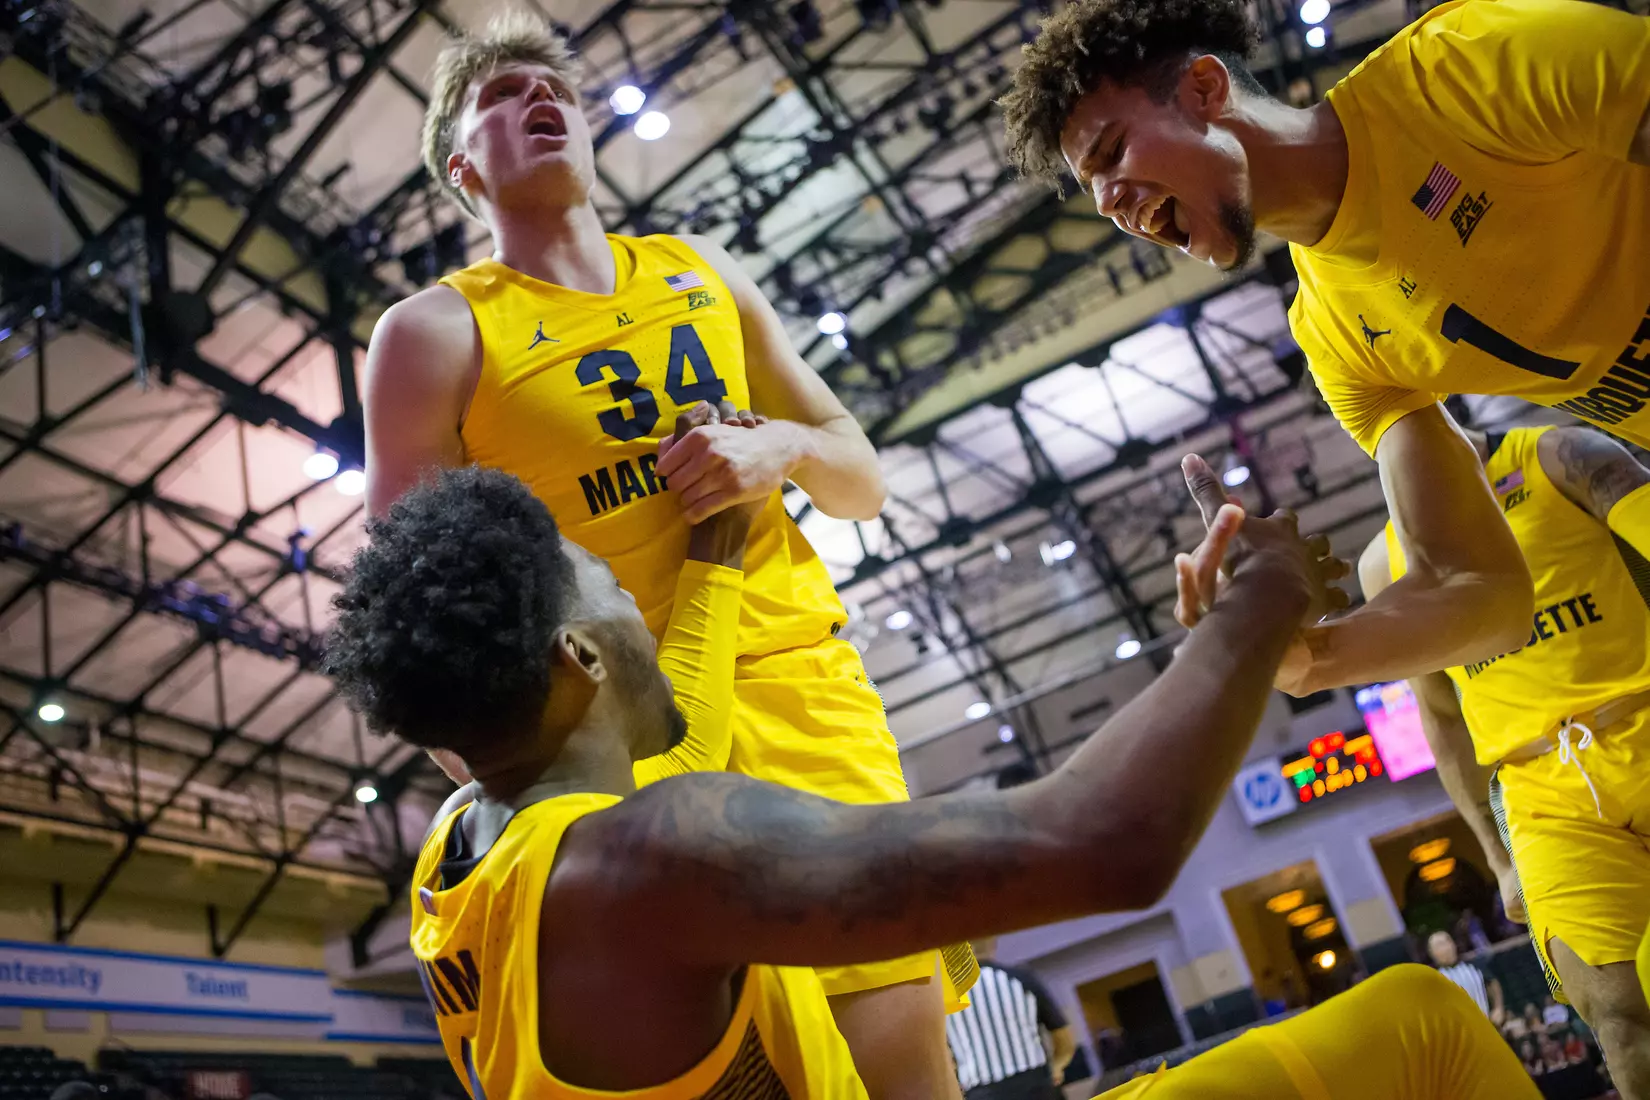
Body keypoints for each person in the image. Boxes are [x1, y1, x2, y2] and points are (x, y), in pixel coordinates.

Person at [325, 461, 1538, 1099]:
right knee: (1426, 1026)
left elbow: (661, 721)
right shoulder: (656, 854)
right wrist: (1265, 597)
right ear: (578, 656)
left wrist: (713, 544)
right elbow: (1107, 838)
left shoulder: (470, 852)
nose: (633, 604)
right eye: (607, 586)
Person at [360, 13, 974, 1095]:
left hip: (800, 684)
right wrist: (536, 800)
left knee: (902, 1061)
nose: (538, 98)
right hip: (633, 746)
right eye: (501, 96)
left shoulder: (701, 271)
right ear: (463, 165)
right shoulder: (436, 332)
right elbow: (423, 630)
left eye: (553, 86)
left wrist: (775, 448)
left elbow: (858, 475)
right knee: (735, 1071)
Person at [1000, 0, 1650, 695]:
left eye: (1113, 152)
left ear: (1205, 90)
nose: (1111, 205)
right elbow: (1480, 591)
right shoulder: (1336, 338)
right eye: (1094, 191)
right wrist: (1298, 653)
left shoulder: (1459, 68)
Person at [1359, 423, 1650, 1096]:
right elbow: (1438, 716)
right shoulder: (1384, 562)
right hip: (1542, 793)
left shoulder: (1558, 456)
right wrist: (1496, 857)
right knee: (1615, 1011)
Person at [944, 937, 1076, 1100]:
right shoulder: (1022, 979)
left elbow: (945, 1057)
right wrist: (1056, 1068)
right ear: (993, 942)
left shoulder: (947, 998)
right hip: (1036, 1087)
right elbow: (1064, 1037)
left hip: (981, 1093)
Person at [1426, 929, 1506, 1025]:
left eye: (1445, 943)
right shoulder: (1433, 981)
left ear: (1453, 944)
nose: (1444, 949)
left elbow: (1492, 983)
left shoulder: (1474, 966)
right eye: (1438, 946)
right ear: (1432, 953)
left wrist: (1498, 1008)